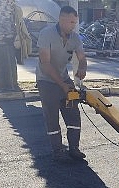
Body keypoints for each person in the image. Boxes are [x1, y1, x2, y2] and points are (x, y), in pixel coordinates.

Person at [36, 5, 87, 161]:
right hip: (46, 80)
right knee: (52, 117)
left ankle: (74, 148)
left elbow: (82, 58)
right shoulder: (46, 34)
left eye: (75, 22)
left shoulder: (75, 37)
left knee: (73, 113)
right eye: (71, 22)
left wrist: (82, 69)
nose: (73, 26)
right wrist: (62, 85)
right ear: (61, 20)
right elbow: (45, 64)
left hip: (64, 79)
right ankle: (58, 151)